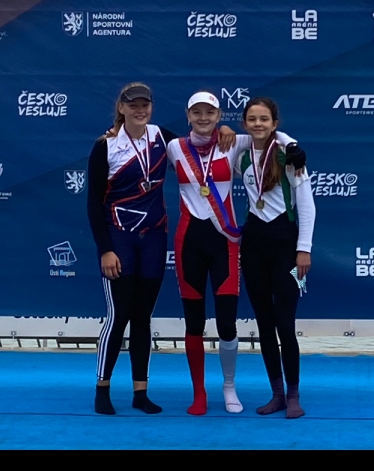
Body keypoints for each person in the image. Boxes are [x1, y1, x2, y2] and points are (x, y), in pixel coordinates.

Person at [86, 82, 235, 416]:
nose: (140, 110)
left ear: (151, 107)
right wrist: (105, 249)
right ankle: (102, 388)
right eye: (133, 105)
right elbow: (94, 203)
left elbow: (198, 143)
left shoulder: (162, 138)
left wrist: (223, 130)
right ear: (121, 108)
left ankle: (140, 392)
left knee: (142, 317)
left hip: (153, 238)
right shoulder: (105, 146)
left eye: (145, 105)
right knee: (118, 315)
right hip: (119, 238)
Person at [166, 90, 306, 416]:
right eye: (197, 112)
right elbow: (140, 134)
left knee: (228, 324)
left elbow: (269, 134)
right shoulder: (174, 147)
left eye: (210, 113)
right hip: (188, 244)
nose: (203, 118)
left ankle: (229, 387)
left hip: (226, 243)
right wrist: (114, 130)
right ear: (187, 116)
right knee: (194, 323)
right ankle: (199, 393)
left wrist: (294, 145)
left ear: (220, 116)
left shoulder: (233, 143)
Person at [236, 97, 316, 419]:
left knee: (285, 323)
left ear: (274, 123)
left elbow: (307, 205)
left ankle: (294, 395)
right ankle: (277, 394)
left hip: (286, 244)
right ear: (244, 124)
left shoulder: (289, 156)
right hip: (253, 244)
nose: (258, 124)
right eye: (252, 119)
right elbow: (213, 142)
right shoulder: (240, 156)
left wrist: (304, 249)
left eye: (264, 119)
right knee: (265, 325)